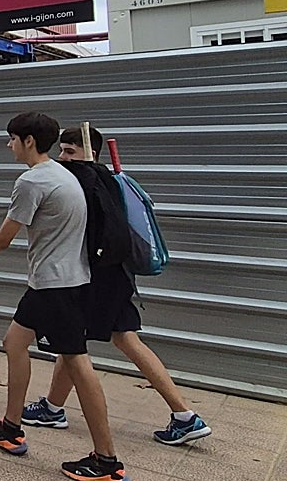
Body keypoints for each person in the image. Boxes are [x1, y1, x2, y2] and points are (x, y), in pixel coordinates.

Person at [0, 112, 130, 481]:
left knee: (77, 363)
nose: (8, 145)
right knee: (14, 342)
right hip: (59, 281)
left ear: (29, 141)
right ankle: (11, 427)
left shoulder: (33, 181)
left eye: (12, 139)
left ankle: (107, 461)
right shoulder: (65, 173)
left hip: (56, 286)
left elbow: (2, 239)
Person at [22, 125, 211, 446]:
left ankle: (57, 411)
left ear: (88, 153)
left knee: (74, 344)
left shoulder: (84, 180)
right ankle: (184, 416)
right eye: (62, 151)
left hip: (96, 280)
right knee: (112, 341)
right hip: (117, 277)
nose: (63, 158)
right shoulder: (108, 179)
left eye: (70, 151)